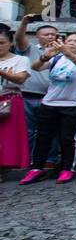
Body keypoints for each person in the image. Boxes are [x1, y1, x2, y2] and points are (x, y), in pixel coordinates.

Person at [19, 32, 76, 184]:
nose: (71, 43)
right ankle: (36, 168)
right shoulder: (57, 58)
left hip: (74, 105)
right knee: (42, 137)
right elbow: (36, 67)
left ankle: (68, 168)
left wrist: (68, 53)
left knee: (69, 138)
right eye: (69, 40)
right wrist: (45, 56)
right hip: (50, 103)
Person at [14, 17, 59, 164]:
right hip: (28, 97)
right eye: (46, 34)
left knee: (50, 131)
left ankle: (49, 161)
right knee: (29, 132)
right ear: (37, 36)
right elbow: (19, 38)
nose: (50, 36)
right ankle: (28, 160)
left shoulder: (62, 52)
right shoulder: (30, 49)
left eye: (53, 34)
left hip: (52, 98)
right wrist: (24, 23)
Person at [0, 29, 32, 178]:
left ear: (10, 43)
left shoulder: (20, 60)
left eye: (2, 43)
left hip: (9, 100)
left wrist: (3, 73)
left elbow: (20, 79)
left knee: (7, 136)